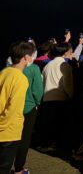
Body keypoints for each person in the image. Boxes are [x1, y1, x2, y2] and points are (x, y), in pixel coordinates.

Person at [0, 41, 34, 174]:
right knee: (4, 167)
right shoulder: (20, 79)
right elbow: (13, 109)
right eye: (31, 55)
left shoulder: (4, 72)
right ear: (25, 57)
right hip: (8, 131)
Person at [13, 43, 43, 174]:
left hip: (13, 108)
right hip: (29, 107)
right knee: (24, 138)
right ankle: (19, 168)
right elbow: (38, 90)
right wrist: (37, 103)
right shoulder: (34, 69)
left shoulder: (8, 69)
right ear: (26, 56)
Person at [39, 41, 74, 152]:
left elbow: (42, 81)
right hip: (60, 98)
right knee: (59, 125)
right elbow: (67, 85)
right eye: (70, 50)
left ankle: (45, 144)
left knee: (48, 124)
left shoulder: (47, 65)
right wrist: (70, 95)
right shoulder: (65, 66)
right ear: (66, 52)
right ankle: (56, 146)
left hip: (46, 98)